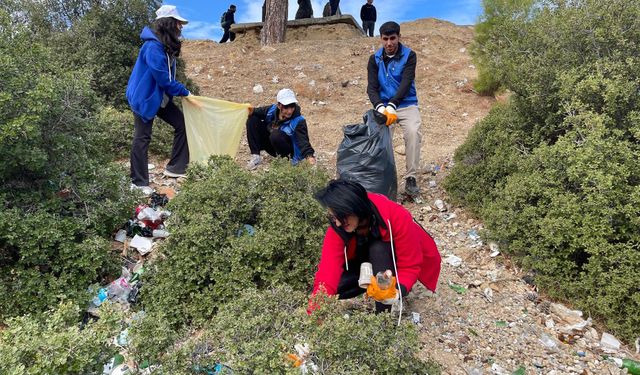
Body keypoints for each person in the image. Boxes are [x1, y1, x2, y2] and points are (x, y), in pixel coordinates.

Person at [308, 180, 441, 313]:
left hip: (391, 260)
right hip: (364, 260)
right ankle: (372, 285)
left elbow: (410, 266)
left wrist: (397, 292)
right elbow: (327, 272)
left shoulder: (396, 216)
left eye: (341, 217)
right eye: (333, 217)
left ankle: (383, 318)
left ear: (354, 208)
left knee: (378, 249)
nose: (337, 223)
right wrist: (315, 313)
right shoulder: (339, 227)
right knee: (337, 286)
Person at [126, 5, 199, 196]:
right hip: (144, 97)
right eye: (178, 23)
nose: (180, 27)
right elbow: (163, 79)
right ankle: (138, 182)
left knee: (182, 124)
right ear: (168, 24)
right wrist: (186, 93)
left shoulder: (163, 46)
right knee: (142, 137)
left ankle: (175, 168)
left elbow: (165, 80)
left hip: (159, 98)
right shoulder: (152, 47)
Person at [367, 21, 422, 197]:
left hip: (406, 104)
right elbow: (372, 88)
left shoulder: (409, 56)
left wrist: (393, 104)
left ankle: (411, 177)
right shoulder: (374, 60)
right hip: (383, 106)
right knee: (380, 137)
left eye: (393, 38)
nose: (389, 43)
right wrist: (380, 107)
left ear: (399, 37)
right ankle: (384, 178)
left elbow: (406, 83)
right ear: (381, 39)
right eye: (385, 39)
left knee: (413, 132)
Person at [246, 88, 316, 169]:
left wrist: (309, 156)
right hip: (273, 147)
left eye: (292, 106)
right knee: (253, 118)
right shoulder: (271, 110)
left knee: (275, 134)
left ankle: (285, 164)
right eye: (286, 107)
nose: (289, 111)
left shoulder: (299, 121)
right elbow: (256, 111)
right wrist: (248, 110)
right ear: (279, 106)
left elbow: (303, 142)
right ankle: (256, 157)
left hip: (289, 153)